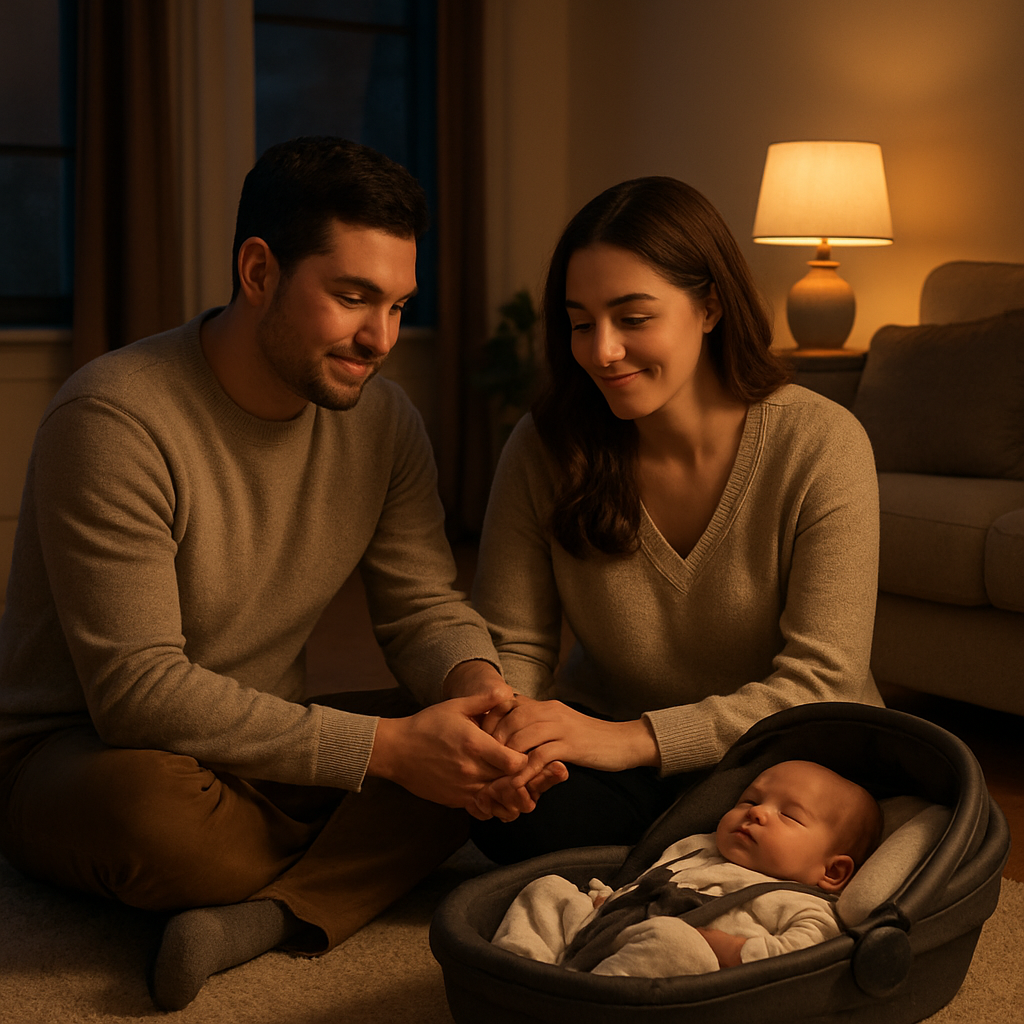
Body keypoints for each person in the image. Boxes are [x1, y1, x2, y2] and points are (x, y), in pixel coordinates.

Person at [0, 137, 559, 1011]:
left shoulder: (384, 420)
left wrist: (482, 694)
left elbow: (422, 606)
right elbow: (137, 692)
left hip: (265, 743)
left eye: (399, 305)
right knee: (157, 818)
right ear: (258, 271)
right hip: (91, 756)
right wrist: (386, 753)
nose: (380, 339)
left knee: (477, 757)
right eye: (352, 298)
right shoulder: (114, 417)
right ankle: (329, 870)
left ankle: (259, 916)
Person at [469, 176, 882, 860]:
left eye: (633, 318)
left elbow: (822, 684)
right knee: (512, 815)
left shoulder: (821, 442)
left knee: (811, 828)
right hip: (614, 755)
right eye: (580, 322)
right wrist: (513, 742)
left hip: (780, 764)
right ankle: (686, 854)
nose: (601, 351)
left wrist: (636, 737)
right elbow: (514, 640)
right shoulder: (544, 446)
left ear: (711, 307)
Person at [492, 760, 883, 976]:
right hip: (604, 931)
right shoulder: (697, 846)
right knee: (548, 888)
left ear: (831, 872)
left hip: (680, 965)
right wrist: (608, 901)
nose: (758, 813)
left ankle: (589, 1000)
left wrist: (730, 948)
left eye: (790, 816)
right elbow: (648, 883)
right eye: (749, 800)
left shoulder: (799, 901)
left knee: (674, 942)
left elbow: (806, 956)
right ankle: (520, 973)